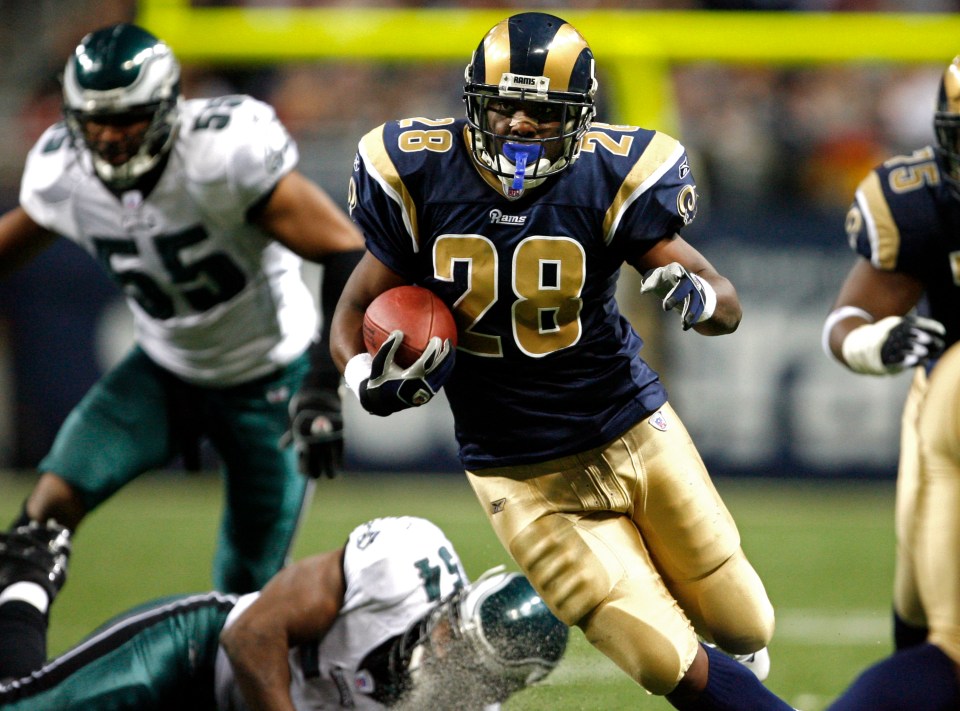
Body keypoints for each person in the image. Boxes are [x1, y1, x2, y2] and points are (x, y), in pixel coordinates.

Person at [329, 12, 791, 710]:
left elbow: (723, 299)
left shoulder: (612, 173)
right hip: (520, 469)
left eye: (540, 111)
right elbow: (350, 311)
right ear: (473, 106)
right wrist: (364, 377)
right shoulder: (419, 172)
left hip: (633, 427)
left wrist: (700, 297)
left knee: (745, 620)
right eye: (503, 106)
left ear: (577, 117)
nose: (517, 125)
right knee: (662, 655)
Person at [0, 22, 365, 601]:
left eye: (128, 118)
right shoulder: (63, 172)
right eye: (95, 119)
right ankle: (13, 679)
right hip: (164, 370)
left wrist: (323, 383)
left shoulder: (224, 155)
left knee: (246, 591)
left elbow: (346, 252)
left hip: (268, 379)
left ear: (169, 107)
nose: (110, 136)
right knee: (41, 519)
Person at [0, 515, 568, 709]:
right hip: (198, 659)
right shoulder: (403, 564)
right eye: (453, 627)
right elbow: (252, 635)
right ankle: (26, 584)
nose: (444, 641)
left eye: (465, 654)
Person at [821, 57, 960, 710]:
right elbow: (850, 319)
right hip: (952, 408)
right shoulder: (922, 201)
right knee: (929, 623)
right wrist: (878, 342)